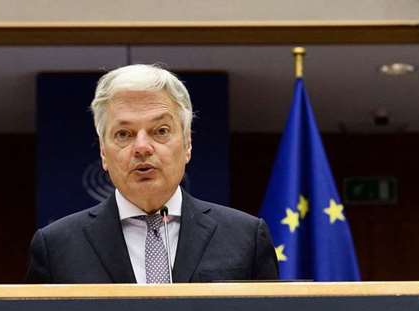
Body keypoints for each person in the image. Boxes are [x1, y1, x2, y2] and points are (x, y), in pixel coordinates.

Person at [26, 64, 278, 283]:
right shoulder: (56, 247)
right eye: (124, 134)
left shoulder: (245, 237)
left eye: (160, 131)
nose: (142, 148)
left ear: (188, 144)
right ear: (103, 151)